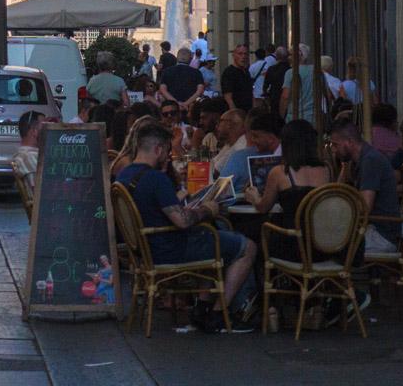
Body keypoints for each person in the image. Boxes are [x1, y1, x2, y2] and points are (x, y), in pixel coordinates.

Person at [115, 125, 255, 326]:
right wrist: (208, 209)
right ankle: (218, 313)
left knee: (209, 238)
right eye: (167, 151)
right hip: (171, 248)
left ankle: (202, 306)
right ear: (158, 150)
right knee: (247, 247)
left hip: (144, 250)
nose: (168, 157)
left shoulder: (124, 175)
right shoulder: (156, 179)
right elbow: (182, 221)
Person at [244, 119, 331, 261]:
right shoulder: (326, 170)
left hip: (293, 244)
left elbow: (263, 207)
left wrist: (254, 197)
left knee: (252, 235)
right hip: (323, 245)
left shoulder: (279, 172)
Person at [329, 117, 401, 254]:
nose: (333, 150)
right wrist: (344, 167)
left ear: (349, 142)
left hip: (381, 235)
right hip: (372, 228)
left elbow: (364, 207)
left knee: (329, 244)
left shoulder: (370, 161)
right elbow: (338, 191)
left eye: (335, 145)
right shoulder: (360, 160)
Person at [215, 105, 282, 186]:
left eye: (256, 136)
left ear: (271, 138)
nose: (252, 140)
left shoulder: (240, 156)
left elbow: (220, 187)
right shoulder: (287, 157)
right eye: (251, 135)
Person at [280, 46, 335, 123]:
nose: (289, 57)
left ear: (298, 56)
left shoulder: (290, 73)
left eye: (291, 55)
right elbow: (327, 94)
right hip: (314, 118)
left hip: (294, 118)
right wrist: (329, 113)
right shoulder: (317, 71)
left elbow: (285, 96)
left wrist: (281, 116)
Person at [13, 110, 46, 186]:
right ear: (34, 131)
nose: (49, 130)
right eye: (44, 127)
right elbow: (40, 190)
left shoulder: (24, 154)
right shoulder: (30, 156)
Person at [220, 46, 254, 114]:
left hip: (247, 111)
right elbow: (228, 97)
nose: (243, 56)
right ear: (234, 55)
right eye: (240, 54)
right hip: (237, 112)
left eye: (245, 54)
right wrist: (235, 113)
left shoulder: (246, 72)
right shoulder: (229, 72)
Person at [260, 45, 292, 115]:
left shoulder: (271, 69)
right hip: (289, 99)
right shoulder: (290, 70)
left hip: (274, 97)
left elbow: (266, 85)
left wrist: (266, 95)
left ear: (277, 56)